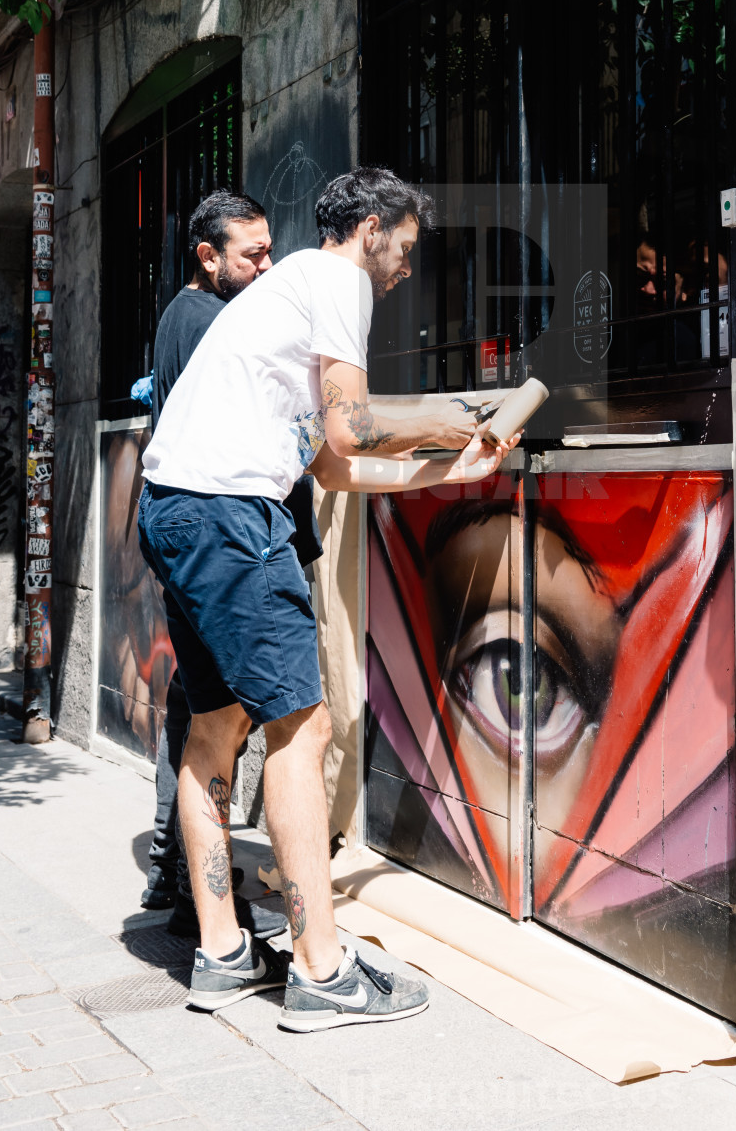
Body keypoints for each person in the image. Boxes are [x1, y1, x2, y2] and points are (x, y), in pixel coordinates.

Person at [138, 167, 519, 1028]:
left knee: (213, 729)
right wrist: (469, 413)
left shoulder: (289, 295)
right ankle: (318, 969)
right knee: (301, 731)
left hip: (177, 511)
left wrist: (444, 468)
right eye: (407, 249)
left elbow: (333, 463)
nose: (407, 270)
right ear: (374, 228)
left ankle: (225, 954)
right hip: (232, 517)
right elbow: (354, 427)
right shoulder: (337, 277)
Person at [139, 190, 304, 945]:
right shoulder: (209, 321)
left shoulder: (189, 315)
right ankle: (191, 894)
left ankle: (180, 883)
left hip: (199, 532)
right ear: (209, 257)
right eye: (253, 255)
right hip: (226, 535)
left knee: (203, 713)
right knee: (231, 722)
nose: (266, 266)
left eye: (271, 251)